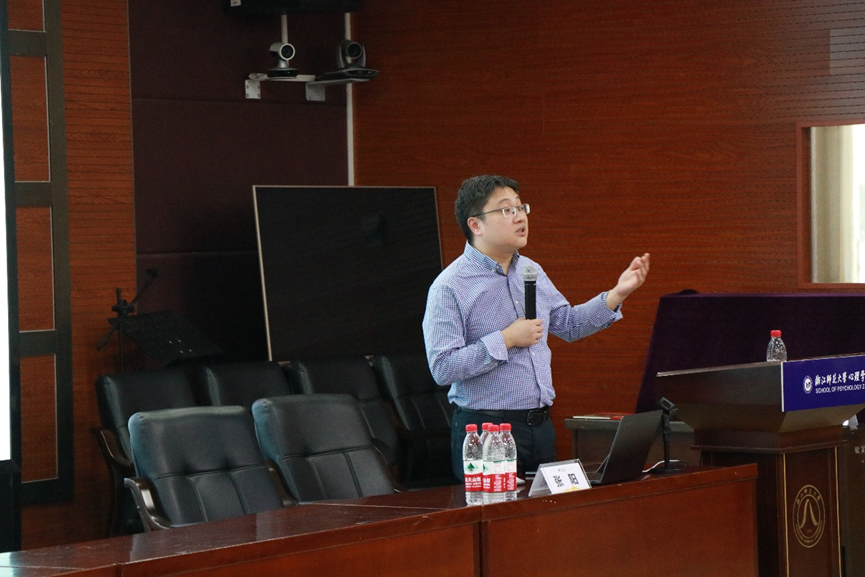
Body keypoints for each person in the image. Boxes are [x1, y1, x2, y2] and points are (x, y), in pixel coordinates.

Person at [422, 174, 650, 479]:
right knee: (497, 510)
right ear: (475, 224)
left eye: (521, 207)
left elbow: (568, 324)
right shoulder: (450, 286)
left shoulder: (531, 271)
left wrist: (617, 294)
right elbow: (443, 367)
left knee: (544, 510)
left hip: (539, 427)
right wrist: (506, 339)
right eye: (507, 210)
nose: (520, 217)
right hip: (485, 431)